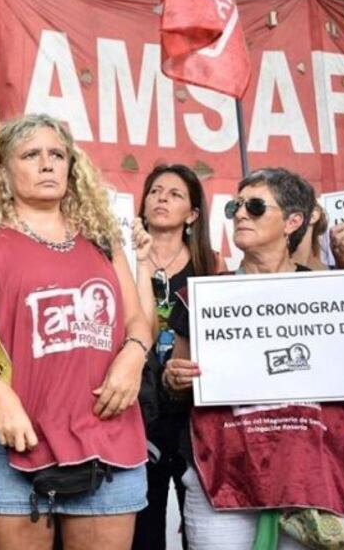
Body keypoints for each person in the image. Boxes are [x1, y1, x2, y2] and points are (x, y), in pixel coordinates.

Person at [0, 113, 154, 550]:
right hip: (13, 437)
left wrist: (133, 355)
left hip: (107, 435)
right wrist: (2, 395)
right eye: (31, 155)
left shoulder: (102, 240)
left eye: (57, 154)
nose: (47, 164)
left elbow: (136, 322)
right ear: (2, 170)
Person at [164, 168, 344, 549]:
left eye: (254, 206)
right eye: (236, 206)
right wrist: (174, 378)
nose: (239, 214)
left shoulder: (339, 292)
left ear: (293, 221)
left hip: (313, 475)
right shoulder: (199, 297)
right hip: (223, 476)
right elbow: (176, 389)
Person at [130, 164, 218, 550]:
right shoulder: (120, 261)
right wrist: (139, 263)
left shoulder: (210, 271)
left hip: (191, 423)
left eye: (175, 194)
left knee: (199, 531)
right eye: (155, 191)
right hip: (133, 415)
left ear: (193, 215)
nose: (161, 198)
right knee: (142, 533)